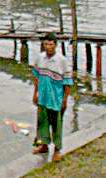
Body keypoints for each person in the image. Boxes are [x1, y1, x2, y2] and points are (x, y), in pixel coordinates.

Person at [31, 32, 73, 161]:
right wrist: (35, 93)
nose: (48, 47)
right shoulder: (40, 58)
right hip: (43, 97)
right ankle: (43, 145)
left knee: (56, 125)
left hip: (56, 99)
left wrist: (64, 100)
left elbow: (67, 82)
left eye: (51, 44)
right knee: (42, 123)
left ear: (55, 45)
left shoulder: (62, 61)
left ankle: (57, 149)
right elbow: (36, 77)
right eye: (46, 44)